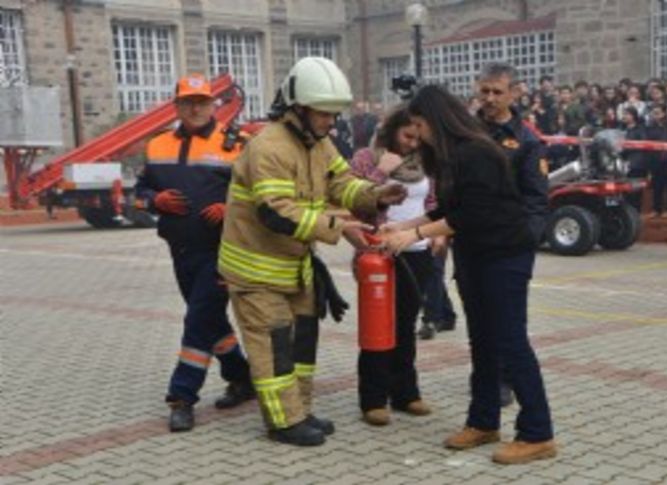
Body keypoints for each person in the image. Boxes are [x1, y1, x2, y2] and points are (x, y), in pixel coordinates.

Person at [218, 57, 406, 447]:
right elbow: (274, 212)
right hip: (257, 273)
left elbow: (342, 183)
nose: (331, 123)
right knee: (275, 350)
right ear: (298, 108)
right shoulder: (267, 147)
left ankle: (300, 411)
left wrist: (373, 196)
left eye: (334, 115)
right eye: (324, 114)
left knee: (302, 344)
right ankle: (283, 422)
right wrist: (335, 226)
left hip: (294, 268)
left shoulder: (317, 143)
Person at [381, 85, 556, 465]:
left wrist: (411, 235)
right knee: (482, 341)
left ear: (436, 120)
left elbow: (470, 214)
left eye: (420, 125)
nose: (418, 133)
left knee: (510, 341)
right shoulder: (449, 156)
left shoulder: (477, 152)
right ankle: (483, 421)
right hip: (475, 256)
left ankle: (537, 432)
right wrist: (402, 226)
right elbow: (447, 208)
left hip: (504, 254)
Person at [134, 74, 254, 432]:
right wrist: (156, 200)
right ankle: (241, 377)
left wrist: (230, 206)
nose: (196, 107)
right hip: (180, 249)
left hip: (224, 251)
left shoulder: (239, 144)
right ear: (177, 106)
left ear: (214, 104)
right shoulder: (157, 146)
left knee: (197, 319)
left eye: (203, 101)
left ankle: (182, 396)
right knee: (210, 321)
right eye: (188, 101)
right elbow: (137, 193)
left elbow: (261, 193)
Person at [349, 105, 435, 426]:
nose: (412, 143)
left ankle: (406, 393)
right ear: (391, 129)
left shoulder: (426, 160)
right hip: (378, 253)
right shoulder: (367, 158)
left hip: (418, 250)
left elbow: (432, 202)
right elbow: (351, 200)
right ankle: (373, 398)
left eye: (417, 137)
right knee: (377, 324)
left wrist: (436, 237)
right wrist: (381, 172)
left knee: (405, 325)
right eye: (406, 135)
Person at [474, 62, 549, 409]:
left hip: (510, 245)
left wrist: (528, 238)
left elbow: (536, 198)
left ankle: (506, 379)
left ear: (514, 93)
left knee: (509, 321)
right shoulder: (469, 131)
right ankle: (484, 381)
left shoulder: (527, 140)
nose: (489, 98)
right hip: (474, 243)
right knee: (480, 321)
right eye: (484, 90)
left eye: (497, 92)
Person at [645, 104, 667, 218]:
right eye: (654, 112)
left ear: (664, 113)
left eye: (658, 112)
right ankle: (656, 209)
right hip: (656, 160)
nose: (655, 114)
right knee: (657, 187)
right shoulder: (650, 127)